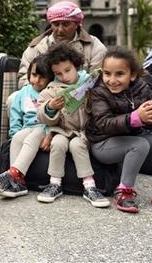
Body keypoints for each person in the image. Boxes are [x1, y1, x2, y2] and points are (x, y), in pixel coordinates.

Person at [86, 46, 152, 214]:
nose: (111, 80)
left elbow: (150, 122)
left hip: (129, 138)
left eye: (119, 74)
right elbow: (103, 123)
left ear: (132, 75)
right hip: (103, 144)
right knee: (140, 144)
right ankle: (124, 191)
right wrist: (135, 118)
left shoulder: (141, 88)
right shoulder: (99, 92)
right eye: (107, 73)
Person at [36, 43, 109, 207]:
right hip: (61, 131)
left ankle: (89, 186)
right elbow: (41, 113)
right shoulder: (52, 89)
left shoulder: (90, 83)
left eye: (67, 70)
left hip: (83, 132)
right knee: (58, 143)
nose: (64, 76)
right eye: (58, 73)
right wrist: (50, 107)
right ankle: (54, 184)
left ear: (76, 65)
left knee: (77, 145)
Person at [0, 55, 54, 198]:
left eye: (42, 77)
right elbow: (16, 114)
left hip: (43, 128)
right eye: (34, 75)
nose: (36, 80)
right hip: (27, 127)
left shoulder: (51, 92)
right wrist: (14, 132)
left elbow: (55, 116)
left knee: (34, 136)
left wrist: (49, 133)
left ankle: (13, 174)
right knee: (18, 137)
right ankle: (18, 183)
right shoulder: (24, 93)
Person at [17, 0, 107, 90]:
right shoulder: (35, 48)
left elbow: (97, 81)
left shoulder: (95, 47)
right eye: (56, 24)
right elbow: (23, 80)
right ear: (51, 24)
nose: (60, 30)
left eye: (66, 24)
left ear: (77, 24)